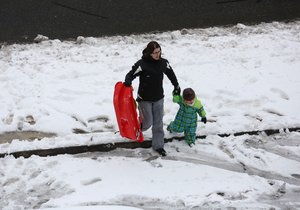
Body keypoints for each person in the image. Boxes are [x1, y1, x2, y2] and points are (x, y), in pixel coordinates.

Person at [123, 41, 180, 156]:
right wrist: (128, 81)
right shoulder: (142, 64)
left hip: (159, 98)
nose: (157, 55)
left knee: (158, 124)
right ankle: (136, 127)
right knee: (148, 123)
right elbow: (130, 74)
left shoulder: (164, 63)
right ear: (149, 53)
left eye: (159, 52)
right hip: (144, 99)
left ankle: (158, 146)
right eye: (155, 53)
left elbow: (171, 74)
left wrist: (176, 85)